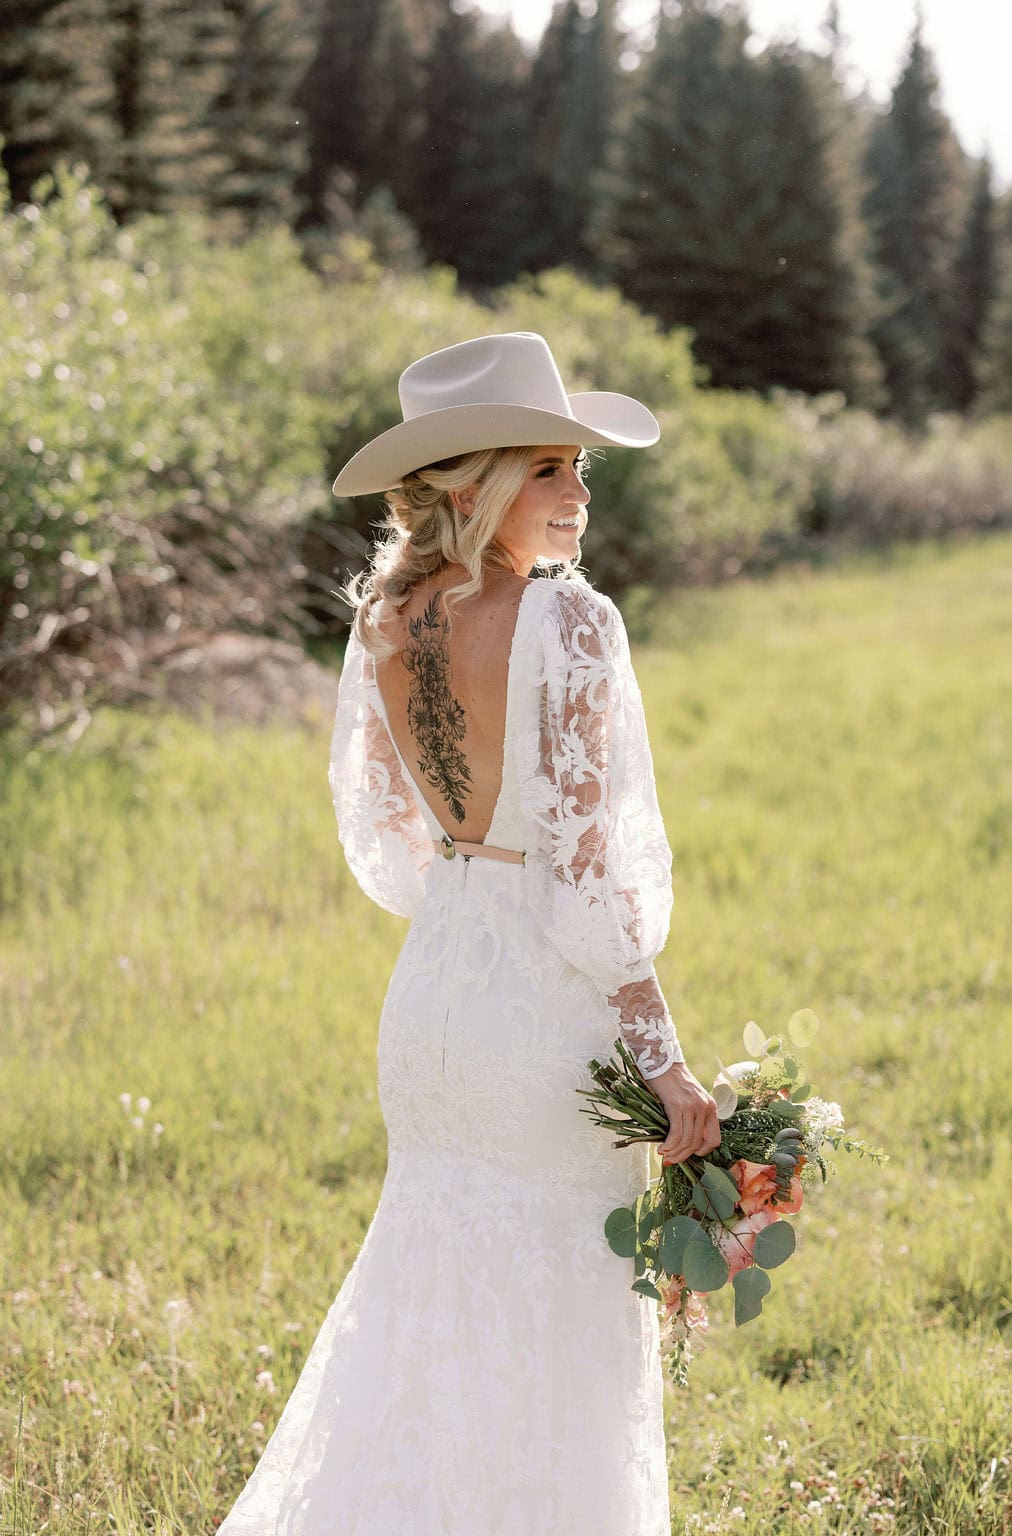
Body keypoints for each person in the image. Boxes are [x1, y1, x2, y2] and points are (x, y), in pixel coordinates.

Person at [215, 332, 721, 1536]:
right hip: (542, 1016)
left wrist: (473, 881)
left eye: (580, 469)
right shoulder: (575, 624)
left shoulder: (385, 619)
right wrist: (669, 1069)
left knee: (427, 1297)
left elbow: (394, 840)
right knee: (552, 1312)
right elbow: (586, 879)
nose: (581, 492)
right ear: (468, 482)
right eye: (552, 468)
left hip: (436, 998)